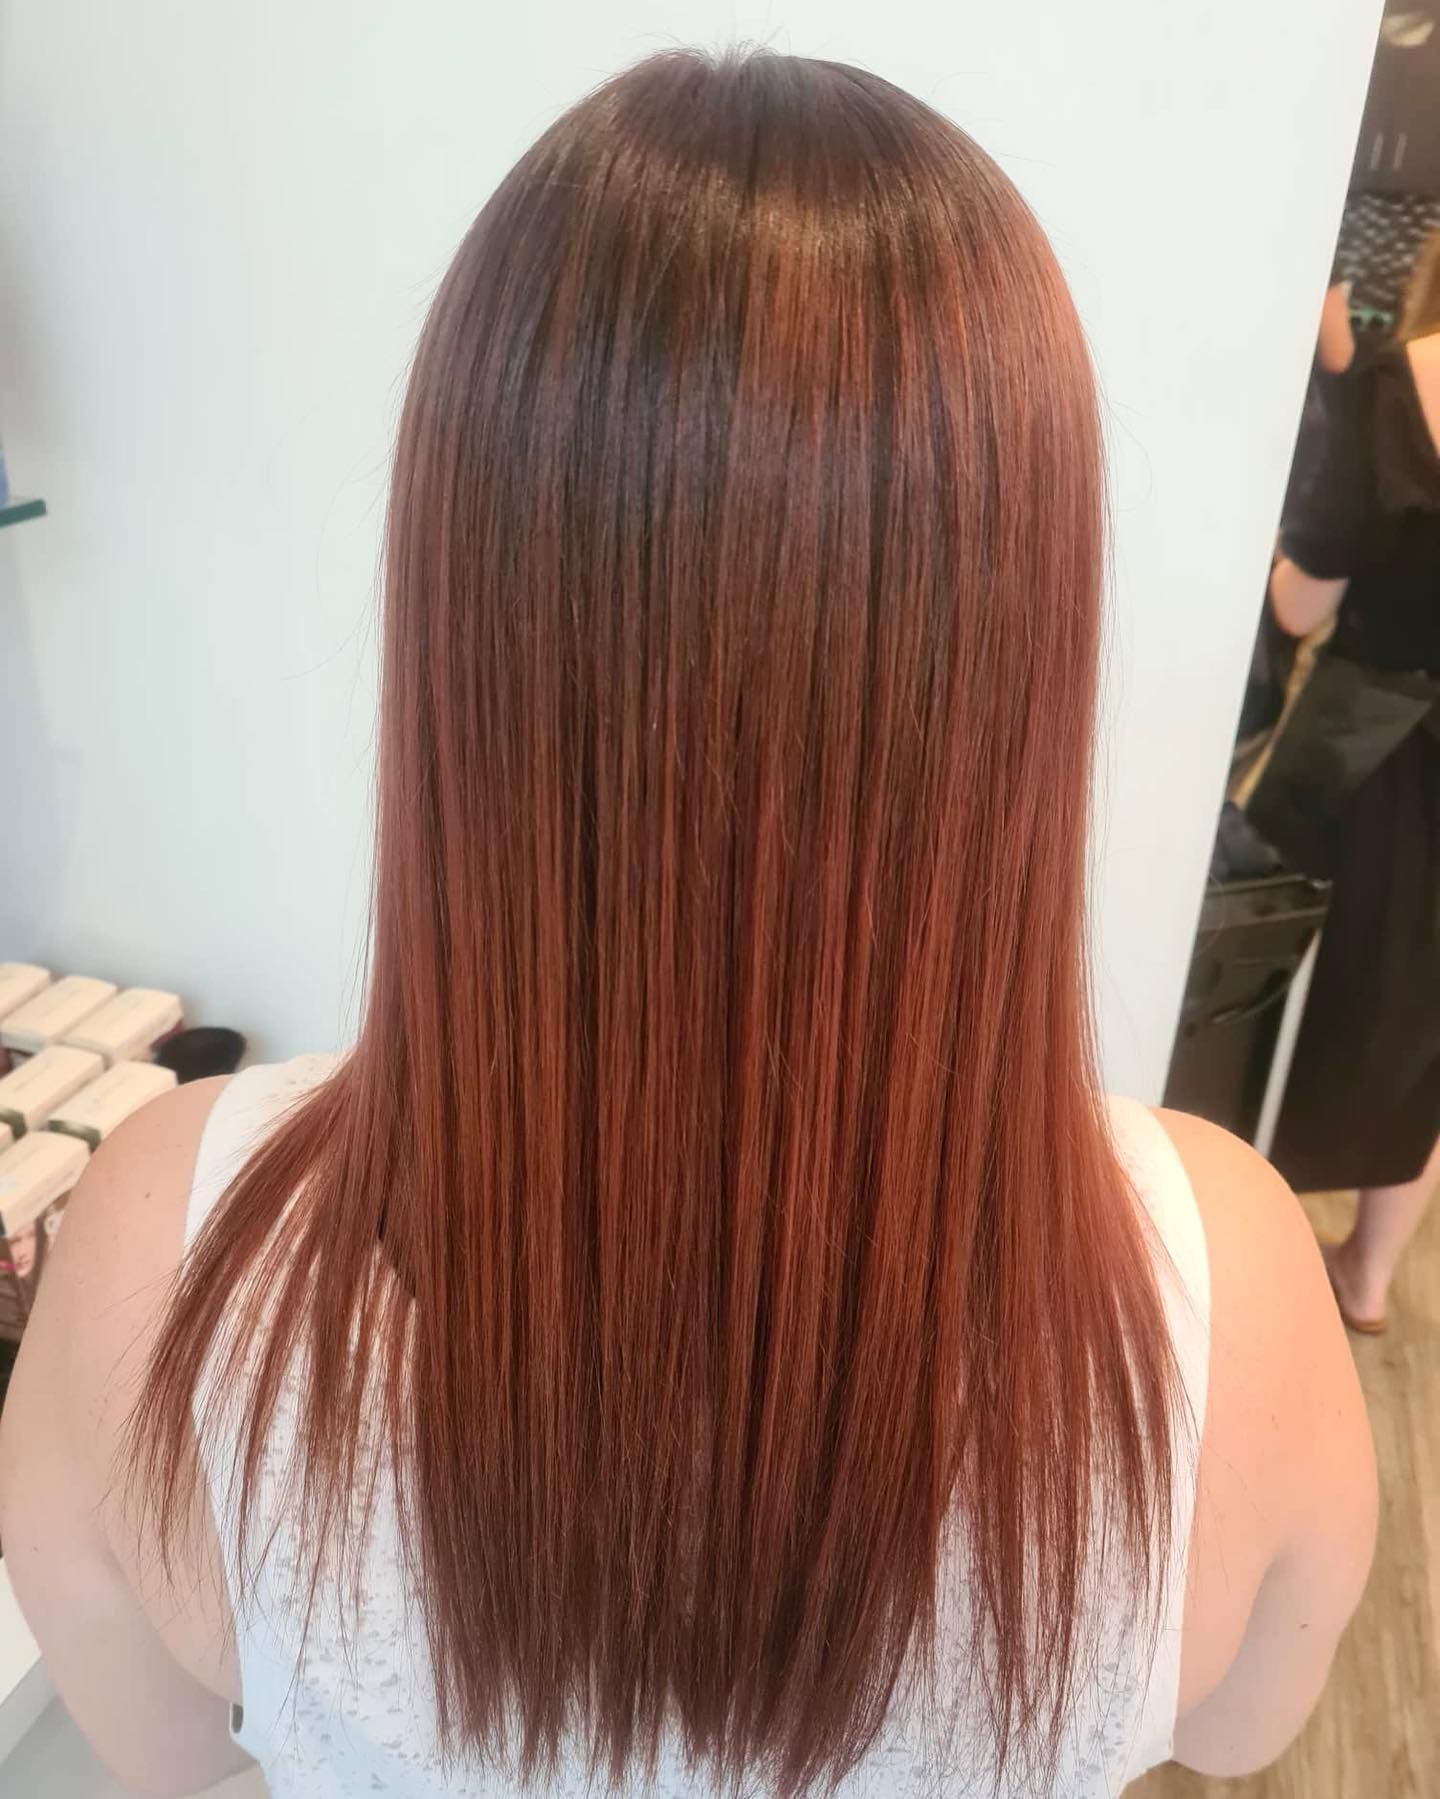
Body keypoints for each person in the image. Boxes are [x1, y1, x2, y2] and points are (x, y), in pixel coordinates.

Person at [0, 49, 1373, 1798]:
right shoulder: (1231, 1295)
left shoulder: (155, 1256)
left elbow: (155, 1746)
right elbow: (1246, 1721)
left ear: (467, 620)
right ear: (1022, 656)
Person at [1254, 229, 1440, 1333]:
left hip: (1371, 756)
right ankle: (1366, 1276)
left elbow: (1298, 606)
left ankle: (1246, 1246)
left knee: (1293, 1000)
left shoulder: (1397, 387)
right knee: (1424, 1030)